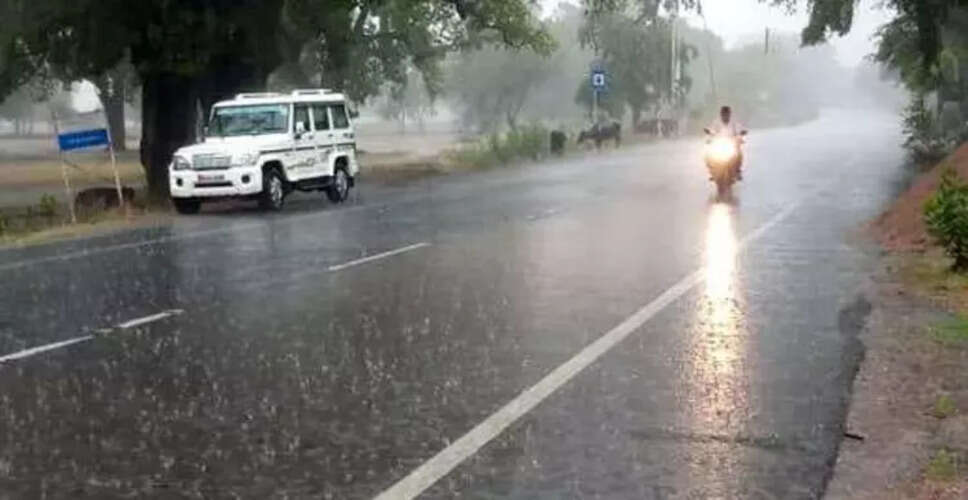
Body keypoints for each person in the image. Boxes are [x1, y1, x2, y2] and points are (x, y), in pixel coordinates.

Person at [707, 105, 746, 179]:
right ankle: (712, 171)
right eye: (723, 114)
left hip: (732, 144)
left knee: (739, 153)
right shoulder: (716, 122)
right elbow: (712, 131)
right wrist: (709, 137)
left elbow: (739, 130)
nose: (725, 116)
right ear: (721, 115)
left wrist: (740, 137)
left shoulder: (734, 122)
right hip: (719, 145)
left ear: (729, 114)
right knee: (708, 155)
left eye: (727, 114)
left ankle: (737, 170)